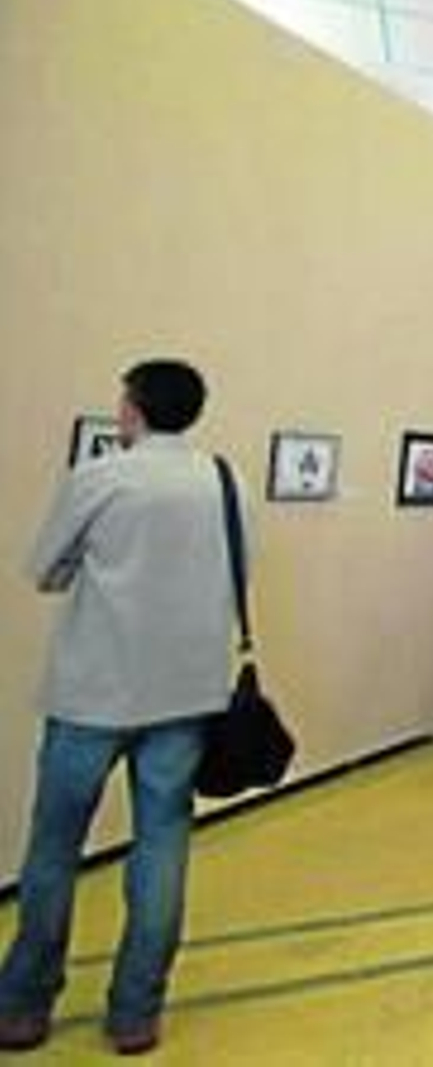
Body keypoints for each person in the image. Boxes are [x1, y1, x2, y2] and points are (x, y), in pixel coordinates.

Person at [0, 360, 235, 1056]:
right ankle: (135, 1013)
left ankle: (23, 1005)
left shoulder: (101, 478)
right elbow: (240, 571)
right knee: (163, 845)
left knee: (53, 850)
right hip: (187, 693)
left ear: (132, 409)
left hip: (94, 693)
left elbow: (45, 569)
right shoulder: (224, 483)